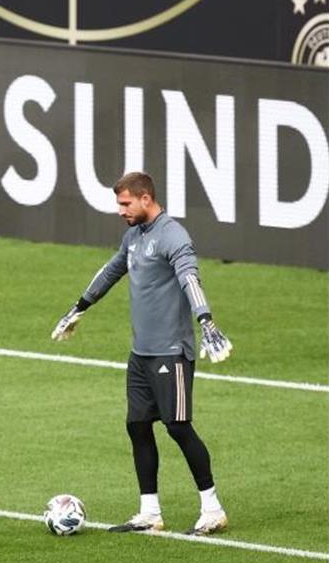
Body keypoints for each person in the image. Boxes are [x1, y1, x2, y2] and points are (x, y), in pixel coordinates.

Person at [50, 171, 234, 536]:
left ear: (145, 198)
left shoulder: (173, 236)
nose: (120, 210)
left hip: (171, 353)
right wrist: (80, 307)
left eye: (125, 203)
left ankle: (212, 507)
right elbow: (111, 271)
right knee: (137, 425)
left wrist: (206, 322)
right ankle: (150, 511)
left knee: (178, 427)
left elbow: (189, 278)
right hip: (142, 354)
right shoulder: (133, 237)